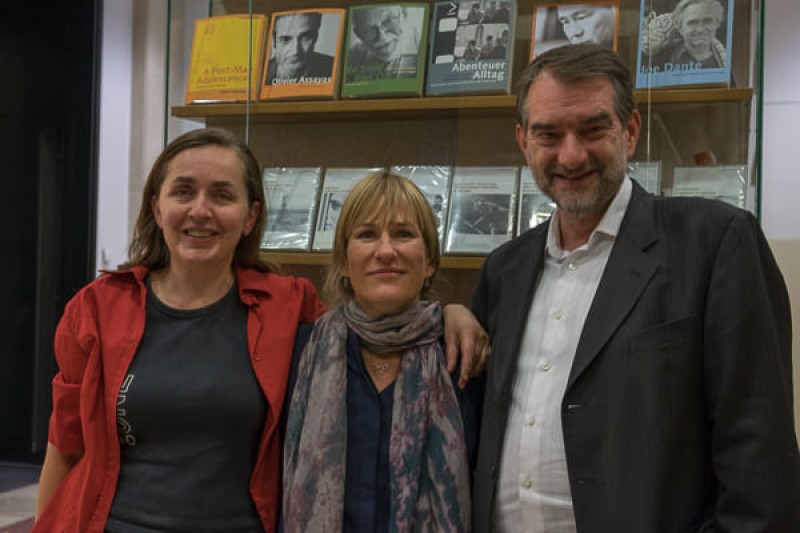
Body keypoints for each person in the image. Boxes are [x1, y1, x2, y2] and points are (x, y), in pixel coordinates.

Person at [33, 129, 487, 533]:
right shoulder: (97, 309)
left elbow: (373, 317)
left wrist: (449, 313)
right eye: (183, 192)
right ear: (157, 206)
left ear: (250, 217)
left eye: (222, 195)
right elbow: (65, 448)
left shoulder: (288, 306)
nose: (200, 210)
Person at [471, 44, 800, 532]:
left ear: (629, 131)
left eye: (592, 129)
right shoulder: (504, 269)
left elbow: (761, 468)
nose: (571, 154)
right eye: (548, 134)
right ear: (524, 141)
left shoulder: (715, 243)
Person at [283, 171, 483, 531]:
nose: (386, 251)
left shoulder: (462, 356)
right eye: (367, 234)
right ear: (344, 262)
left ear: (430, 260)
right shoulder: (302, 353)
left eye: (404, 234)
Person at [643, 0, 727, 70]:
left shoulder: (728, 61)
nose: (700, 29)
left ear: (717, 23)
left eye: (707, 21)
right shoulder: (661, 58)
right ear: (679, 27)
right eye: (692, 23)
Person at [347, 6, 421, 80]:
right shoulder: (352, 55)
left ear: (404, 14)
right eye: (368, 30)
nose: (382, 37)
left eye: (388, 21)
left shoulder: (422, 43)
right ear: (358, 34)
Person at [265, 12, 335, 85]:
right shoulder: (259, 73)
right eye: (285, 39)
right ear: (274, 41)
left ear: (315, 36)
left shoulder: (334, 69)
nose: (295, 51)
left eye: (305, 37)